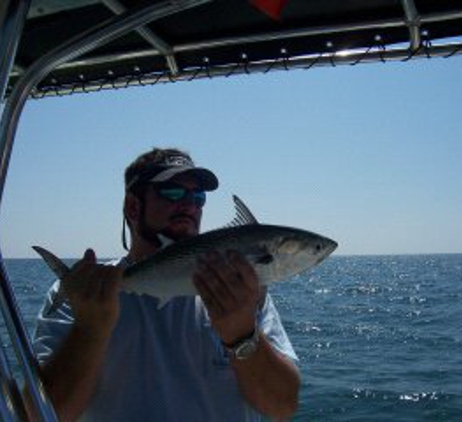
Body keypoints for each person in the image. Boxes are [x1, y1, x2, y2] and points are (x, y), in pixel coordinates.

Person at [33, 147, 300, 421]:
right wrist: (89, 329)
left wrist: (244, 336)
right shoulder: (83, 296)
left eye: (198, 198)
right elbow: (40, 416)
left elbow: (282, 407)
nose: (189, 205)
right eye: (172, 192)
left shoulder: (242, 291)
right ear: (133, 207)